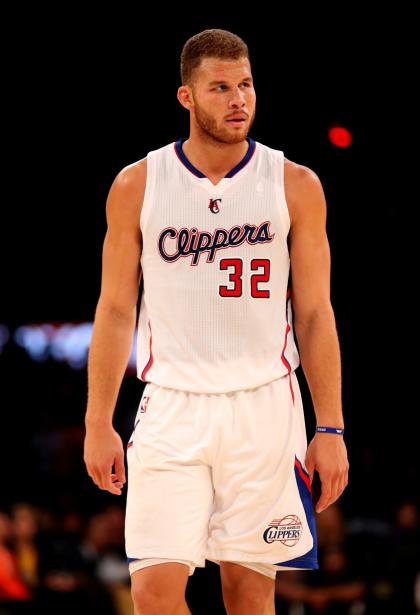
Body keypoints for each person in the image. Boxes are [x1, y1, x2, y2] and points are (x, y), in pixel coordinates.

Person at [83, 28, 349, 615]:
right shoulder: (138, 184)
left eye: (247, 85)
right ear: (187, 97)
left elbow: (314, 313)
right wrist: (98, 420)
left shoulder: (295, 184)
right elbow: (115, 309)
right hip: (171, 404)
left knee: (249, 596)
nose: (239, 99)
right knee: (153, 596)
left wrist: (330, 428)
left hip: (265, 405)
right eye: (221, 87)